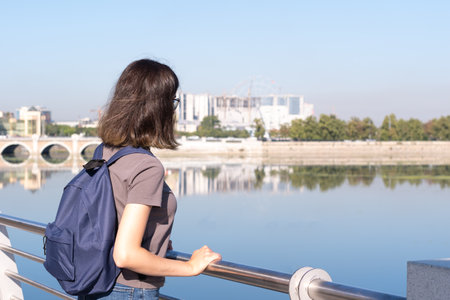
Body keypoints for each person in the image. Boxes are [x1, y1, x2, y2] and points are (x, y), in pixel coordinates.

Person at [83, 59, 221, 299]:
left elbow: (111, 214)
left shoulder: (105, 153)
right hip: (128, 289)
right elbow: (126, 254)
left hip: (95, 283)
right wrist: (190, 267)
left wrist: (154, 238)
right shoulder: (147, 166)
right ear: (157, 107)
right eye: (172, 101)